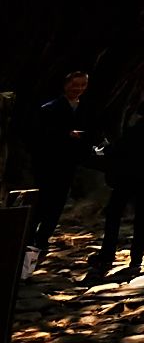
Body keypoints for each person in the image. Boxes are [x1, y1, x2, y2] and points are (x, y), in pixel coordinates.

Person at [86, 97, 144, 281]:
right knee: (143, 221)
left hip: (127, 181)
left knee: (113, 216)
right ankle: (136, 260)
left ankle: (107, 255)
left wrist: (96, 149)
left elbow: (115, 151)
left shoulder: (135, 130)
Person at [28, 70, 97, 254]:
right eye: (75, 85)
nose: (79, 89)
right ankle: (28, 238)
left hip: (70, 163)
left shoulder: (86, 108)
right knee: (42, 201)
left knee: (58, 203)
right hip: (48, 163)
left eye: (83, 85)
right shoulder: (49, 109)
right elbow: (39, 135)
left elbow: (92, 131)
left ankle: (43, 239)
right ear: (66, 85)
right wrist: (65, 135)